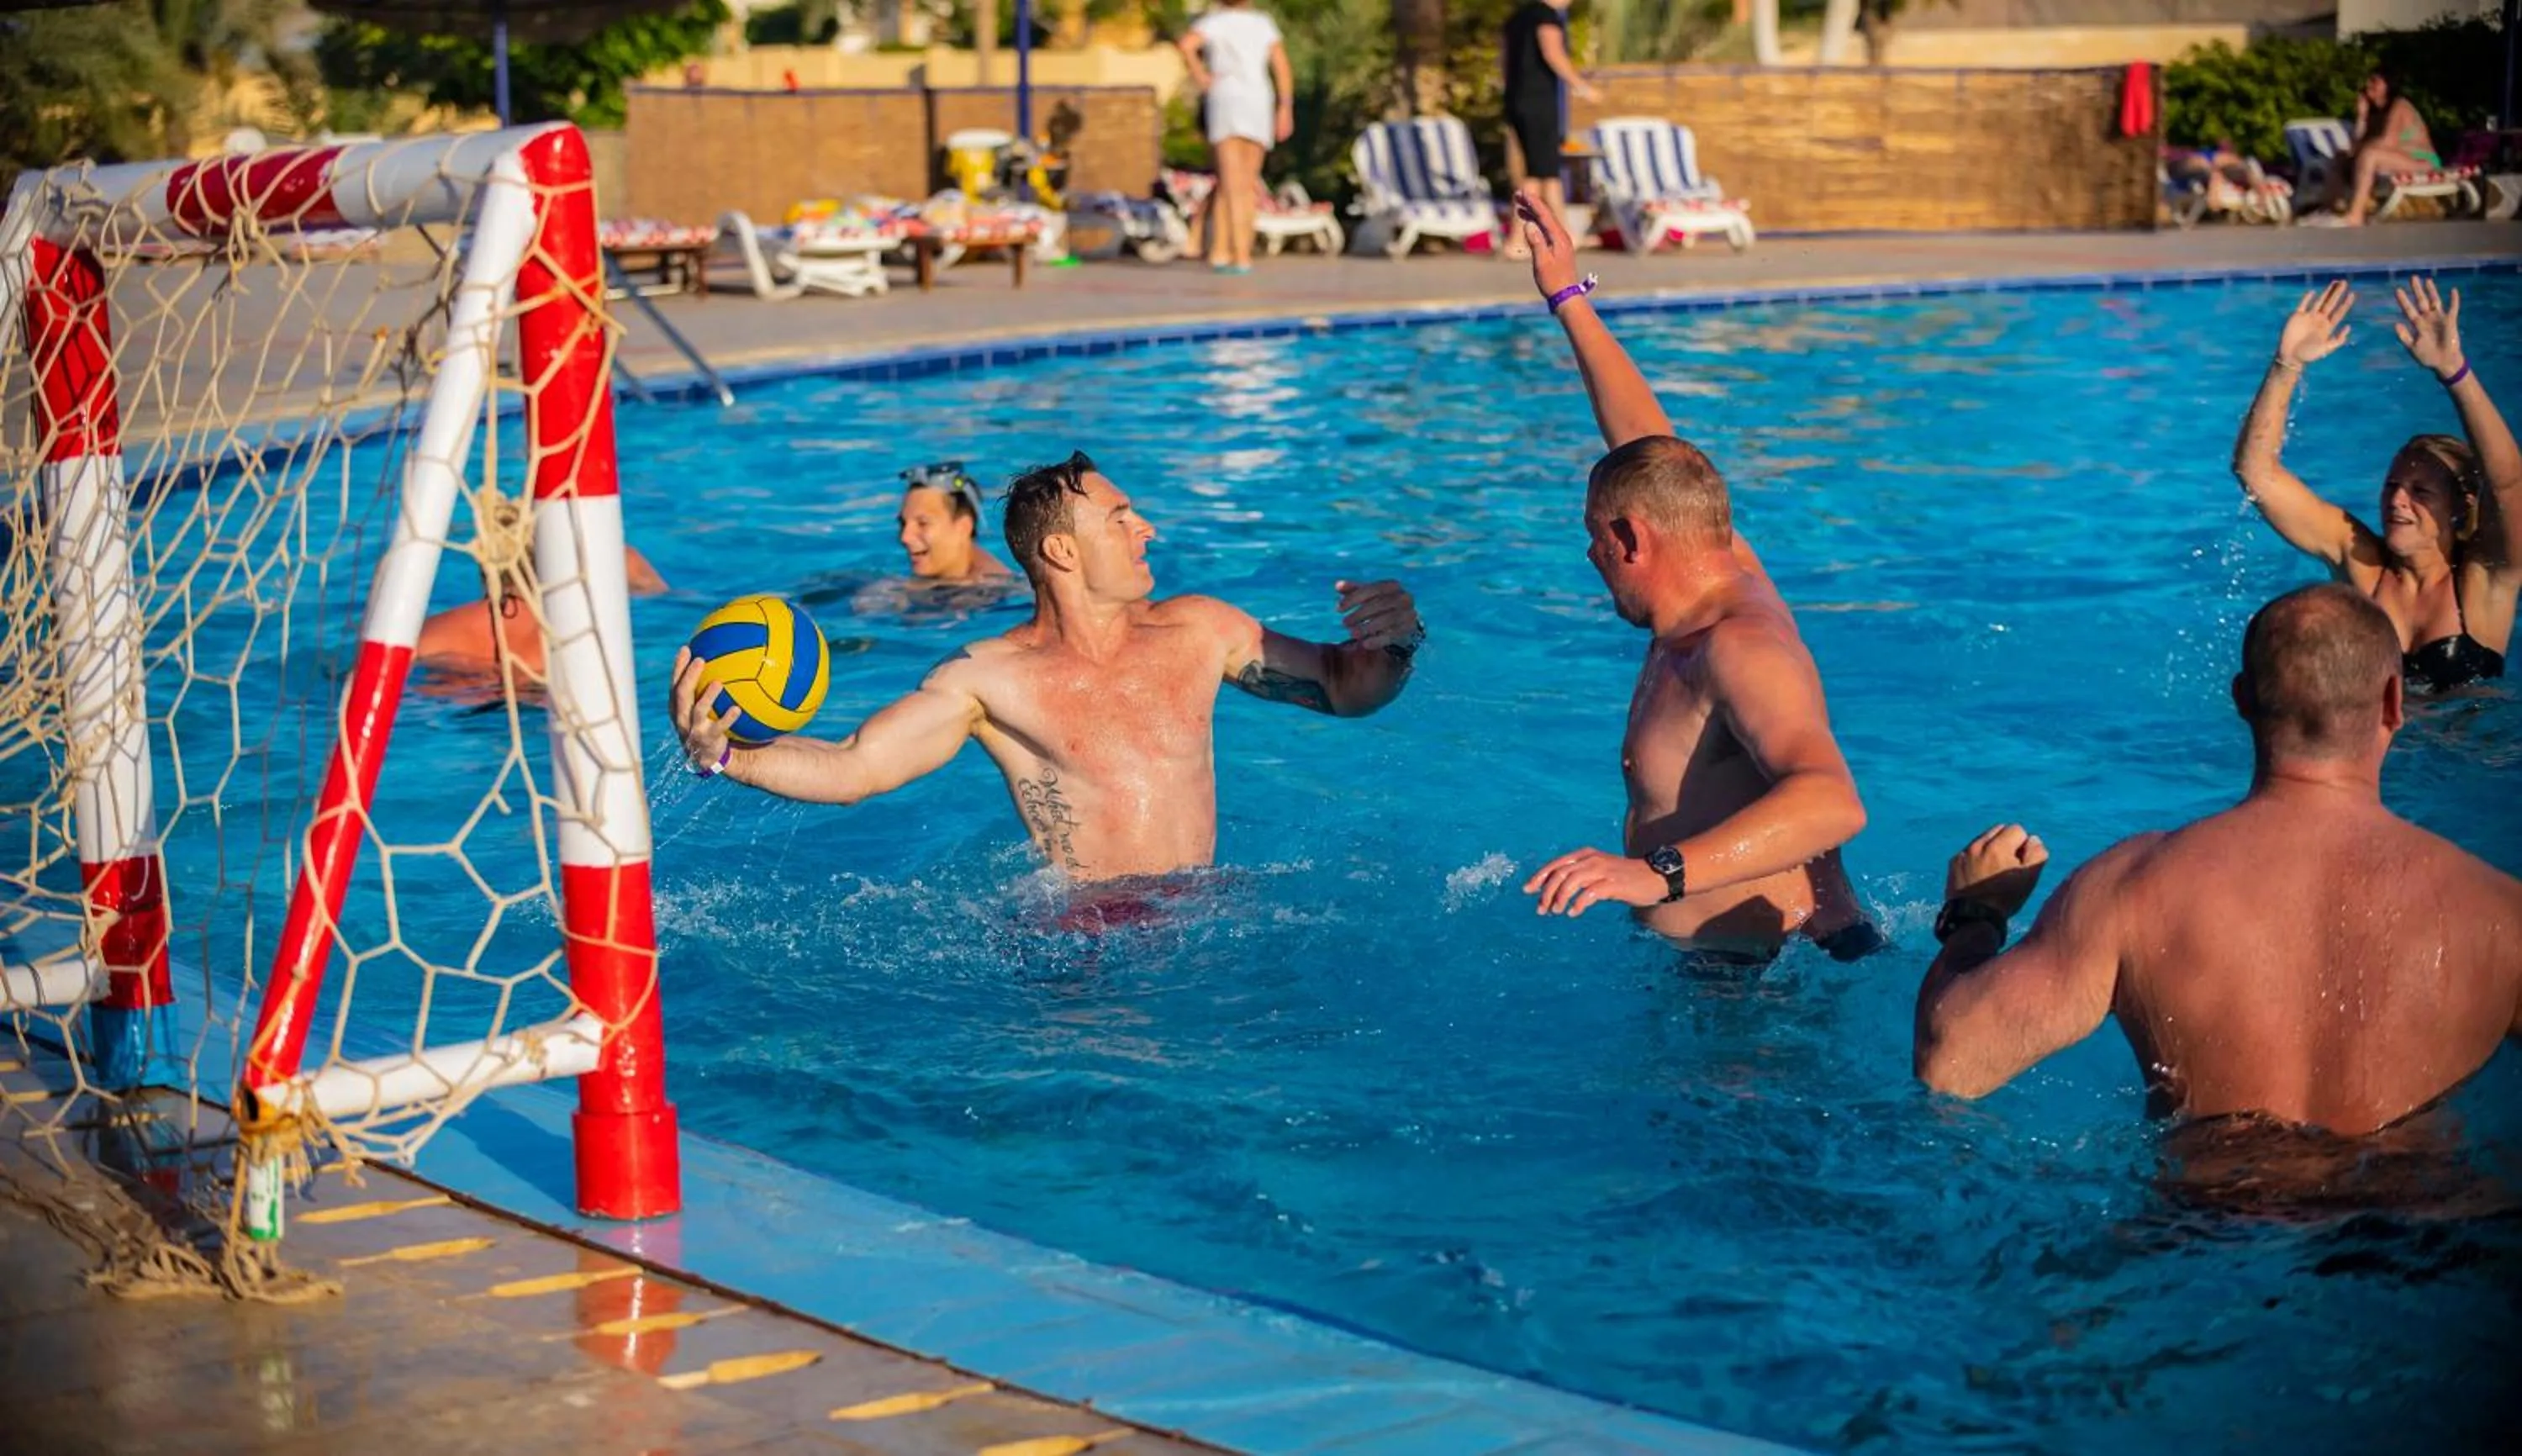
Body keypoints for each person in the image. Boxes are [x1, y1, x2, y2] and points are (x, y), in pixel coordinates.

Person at [1913, 583, 2522, 1138]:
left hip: (2208, 1225)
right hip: (2428, 1237)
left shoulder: (2133, 885)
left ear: (2241, 700)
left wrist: (1977, 913)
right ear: (2395, 702)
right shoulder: (2496, 911)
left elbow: (1952, 1060)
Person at [669, 451, 1424, 884]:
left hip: (1204, 912)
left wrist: (1397, 642)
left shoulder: (1202, 631)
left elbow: (1344, 688)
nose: (1145, 528)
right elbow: (855, 768)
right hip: (1082, 940)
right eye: (1122, 518)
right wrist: (727, 753)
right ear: (1062, 551)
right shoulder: (987, 680)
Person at [1506, 188, 1876, 963]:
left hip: (1760, 995)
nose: (1590, 562)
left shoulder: (1737, 647)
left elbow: (1833, 802)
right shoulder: (1712, 562)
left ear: (1632, 537)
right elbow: (1649, 448)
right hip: (1724, 970)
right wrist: (1569, 299)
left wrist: (1654, 875)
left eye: (1594, 543)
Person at [2231, 278, 2520, 690]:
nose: (2397, 501)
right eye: (2391, 486)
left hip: (2476, 749)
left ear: (2461, 503)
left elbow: (2508, 483)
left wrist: (2455, 372)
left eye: (2421, 492)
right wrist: (2286, 365)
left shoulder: (2486, 578)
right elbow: (2256, 473)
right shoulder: (2363, 565)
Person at [414, 494, 667, 683]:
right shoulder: (584, 616)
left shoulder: (432, 634)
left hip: (474, 702)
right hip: (572, 704)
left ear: (483, 557)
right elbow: (662, 599)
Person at [1176, 0, 1293, 275]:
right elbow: (1281, 65)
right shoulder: (1262, 23)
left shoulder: (1214, 22)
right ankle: (1226, 250)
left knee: (1230, 182)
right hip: (1258, 101)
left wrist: (1200, 76)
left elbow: (1186, 45)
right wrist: (1285, 106)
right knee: (1246, 183)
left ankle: (1236, 253)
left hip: (1226, 99)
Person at [1499, 0, 1600, 256]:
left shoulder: (1518, 17)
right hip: (1538, 102)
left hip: (1517, 101)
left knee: (1546, 171)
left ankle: (1564, 234)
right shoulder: (1546, 16)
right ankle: (1516, 240)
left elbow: (1504, 63)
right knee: (1539, 173)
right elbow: (1552, 52)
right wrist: (1581, 85)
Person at [2308, 70, 2441, 228]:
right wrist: (2362, 117)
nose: (2368, 85)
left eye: (2375, 81)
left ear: (2388, 85)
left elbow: (2388, 142)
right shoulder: (2374, 112)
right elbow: (2354, 148)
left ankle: (2356, 216)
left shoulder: (2400, 106)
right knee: (2341, 157)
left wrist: (2360, 152)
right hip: (2393, 159)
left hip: (2422, 160)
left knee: (2370, 155)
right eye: (2368, 81)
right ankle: (2329, 209)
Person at [895, 462, 1013, 586]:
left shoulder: (989, 592)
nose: (905, 537)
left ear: (964, 527)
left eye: (922, 523)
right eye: (903, 523)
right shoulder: (933, 582)